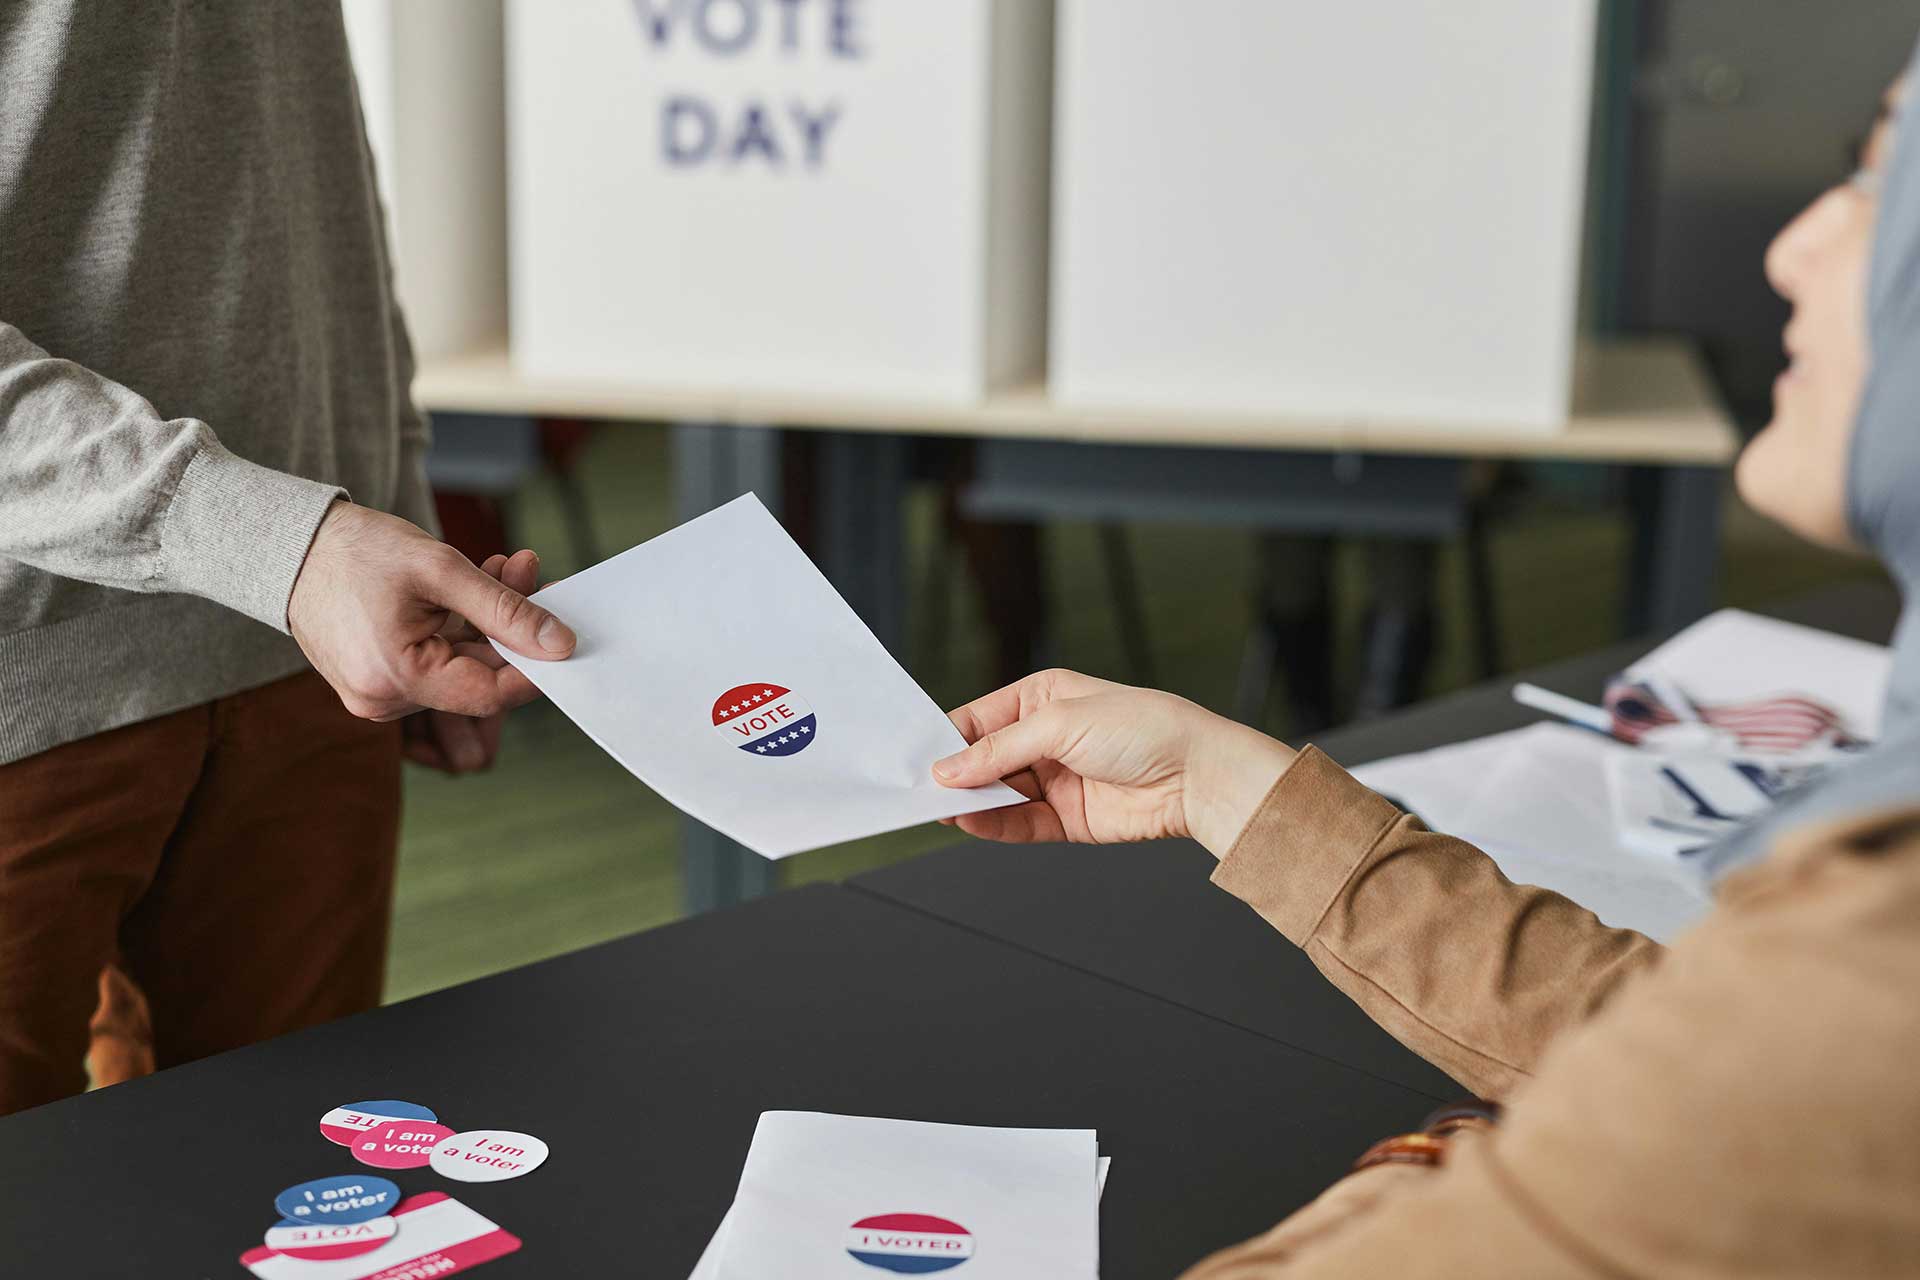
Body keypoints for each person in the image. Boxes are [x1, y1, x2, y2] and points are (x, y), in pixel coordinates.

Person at [931, 70, 1920, 1276]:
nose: (1796, 247)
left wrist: (1438, 1166)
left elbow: (1759, 1102)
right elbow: (1719, 1063)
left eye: (1885, 183)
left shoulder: (1883, 940)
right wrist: (1217, 777)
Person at [0, 3, 574, 1114]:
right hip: (34, 676)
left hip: (303, 634)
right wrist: (286, 542)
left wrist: (393, 511)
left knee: (304, 1202)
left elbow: (294, 146)